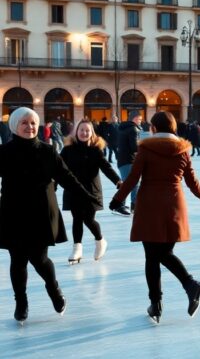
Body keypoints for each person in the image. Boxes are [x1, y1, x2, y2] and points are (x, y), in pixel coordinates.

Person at [109, 111, 200, 324]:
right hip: (174, 205)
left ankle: (177, 293)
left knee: (153, 257)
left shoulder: (146, 148)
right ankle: (168, 298)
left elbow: (132, 178)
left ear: (153, 128)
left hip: (150, 206)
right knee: (162, 253)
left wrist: (118, 199)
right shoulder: (183, 151)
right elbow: (191, 180)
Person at [0, 107, 97, 324]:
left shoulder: (47, 151)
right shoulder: (4, 152)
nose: (30, 127)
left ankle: (53, 288)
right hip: (13, 211)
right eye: (24, 123)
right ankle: (21, 302)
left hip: (41, 211)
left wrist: (86, 195)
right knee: (18, 260)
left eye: (33, 123)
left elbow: (66, 176)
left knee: (39, 258)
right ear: (15, 125)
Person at [60, 119, 123, 264]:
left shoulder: (95, 150)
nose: (84, 133)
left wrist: (117, 181)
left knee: (88, 219)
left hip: (91, 190)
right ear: (76, 131)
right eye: (81, 130)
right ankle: (77, 249)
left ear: (92, 133)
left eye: (87, 130)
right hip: (73, 189)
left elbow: (106, 167)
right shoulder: (68, 149)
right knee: (77, 218)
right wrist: (53, 182)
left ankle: (100, 241)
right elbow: (59, 168)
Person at [116, 111, 143, 215]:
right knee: (132, 183)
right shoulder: (133, 129)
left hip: (122, 160)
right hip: (129, 160)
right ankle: (124, 205)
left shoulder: (123, 128)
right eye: (139, 119)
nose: (140, 121)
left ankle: (130, 205)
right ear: (134, 118)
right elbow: (134, 147)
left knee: (129, 183)